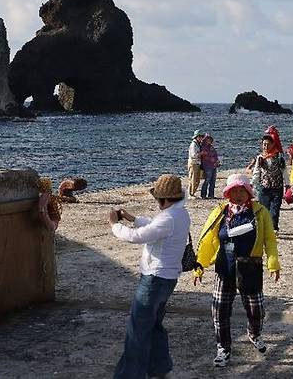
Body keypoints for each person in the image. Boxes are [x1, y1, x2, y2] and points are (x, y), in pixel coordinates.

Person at [193, 174, 280, 368]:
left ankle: (254, 333)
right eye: (234, 191)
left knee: (256, 310)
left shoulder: (260, 212)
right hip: (225, 268)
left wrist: (273, 263)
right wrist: (199, 266)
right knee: (219, 311)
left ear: (248, 192)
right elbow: (206, 241)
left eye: (242, 191)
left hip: (250, 268)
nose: (238, 195)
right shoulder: (219, 212)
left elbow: (270, 240)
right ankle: (223, 348)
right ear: (228, 193)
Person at [110, 174, 190, 378]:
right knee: (154, 325)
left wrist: (115, 225)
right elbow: (155, 226)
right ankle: (159, 368)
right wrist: (133, 219)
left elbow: (137, 236)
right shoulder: (180, 214)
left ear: (163, 199)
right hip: (168, 278)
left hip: (154, 279)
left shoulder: (168, 218)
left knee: (137, 330)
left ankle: (130, 375)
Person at [252, 134, 288, 233]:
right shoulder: (260, 157)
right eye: (264, 144)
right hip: (264, 187)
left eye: (268, 144)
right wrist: (252, 183)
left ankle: (274, 228)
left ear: (273, 144)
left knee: (275, 210)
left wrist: (288, 184)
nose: (266, 146)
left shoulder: (279, 157)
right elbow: (256, 172)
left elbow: (284, 171)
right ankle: (263, 228)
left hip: (277, 187)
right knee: (264, 209)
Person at [200, 134, 221, 199]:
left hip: (214, 166)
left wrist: (217, 161)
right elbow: (205, 156)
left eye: (210, 139)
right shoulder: (203, 147)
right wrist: (213, 161)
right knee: (207, 180)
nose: (209, 141)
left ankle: (211, 195)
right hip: (207, 166)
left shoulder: (211, 147)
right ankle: (203, 195)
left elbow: (215, 155)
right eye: (208, 139)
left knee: (213, 181)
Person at [187, 130, 205, 199]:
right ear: (196, 137)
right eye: (200, 136)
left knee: (197, 179)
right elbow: (193, 155)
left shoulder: (198, 144)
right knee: (192, 179)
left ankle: (193, 193)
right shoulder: (193, 145)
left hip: (197, 163)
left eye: (201, 137)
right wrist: (201, 154)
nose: (201, 138)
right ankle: (190, 194)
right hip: (193, 163)